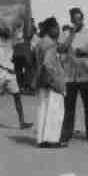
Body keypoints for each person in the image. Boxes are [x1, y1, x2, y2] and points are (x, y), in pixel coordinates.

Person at [59, 8, 88, 143]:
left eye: (80, 19)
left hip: (85, 74)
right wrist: (71, 34)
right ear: (71, 20)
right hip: (69, 76)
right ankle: (66, 133)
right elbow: (62, 49)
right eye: (75, 20)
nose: (78, 22)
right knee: (69, 106)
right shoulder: (65, 34)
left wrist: (87, 52)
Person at [0, 27, 32, 129]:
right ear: (0, 31)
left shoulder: (10, 39)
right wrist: (5, 68)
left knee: (17, 95)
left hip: (9, 73)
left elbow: (26, 35)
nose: (8, 31)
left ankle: (22, 122)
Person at [31, 17, 67, 148]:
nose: (58, 30)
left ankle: (42, 139)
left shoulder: (40, 43)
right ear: (50, 29)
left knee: (43, 110)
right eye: (56, 28)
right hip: (51, 82)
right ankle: (52, 140)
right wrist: (55, 80)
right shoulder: (51, 44)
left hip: (41, 81)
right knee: (55, 111)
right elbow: (47, 64)